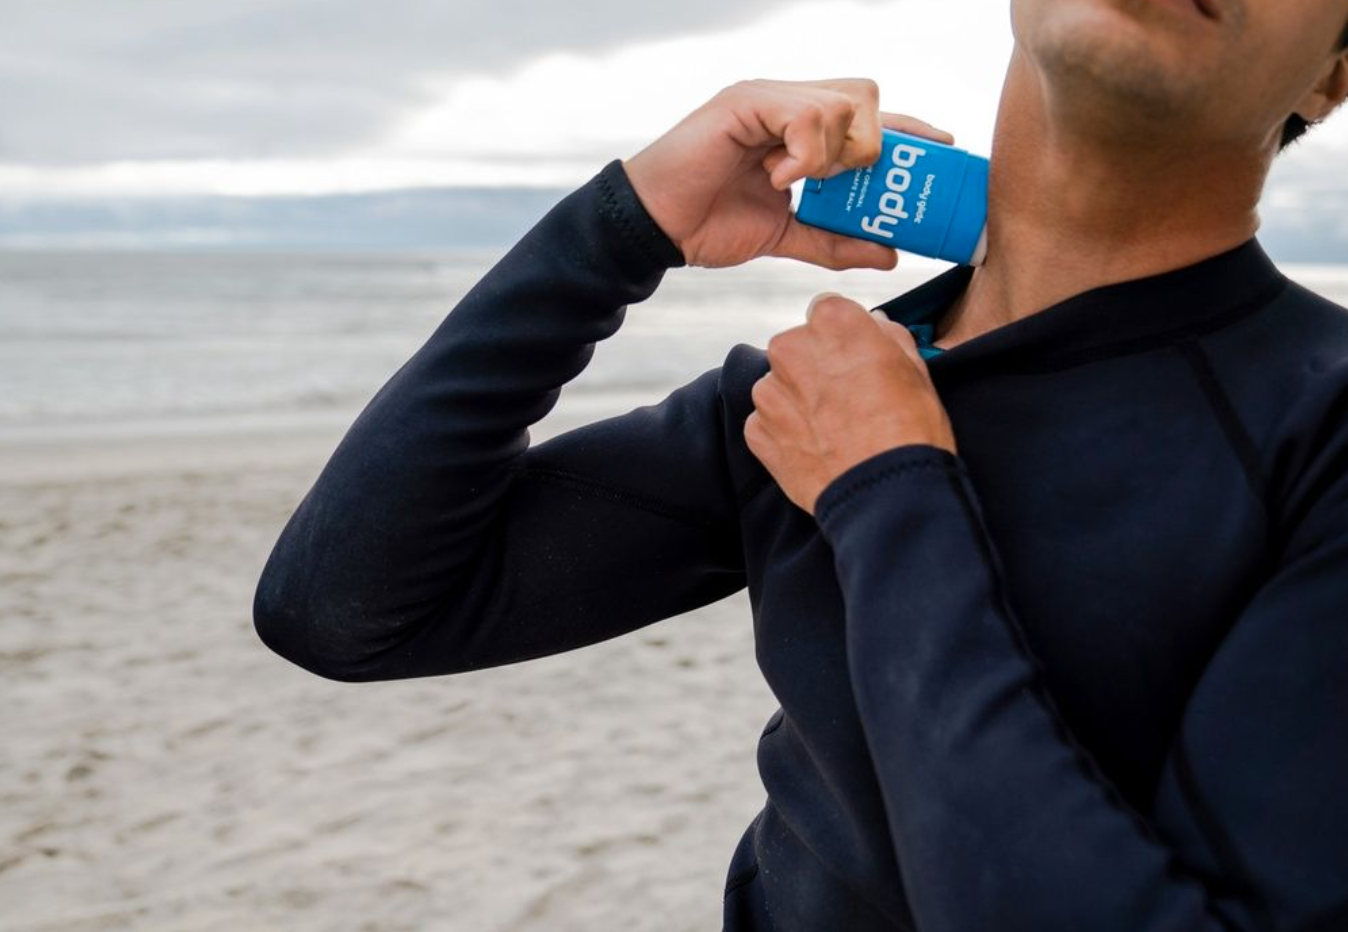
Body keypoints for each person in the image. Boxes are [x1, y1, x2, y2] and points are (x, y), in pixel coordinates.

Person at [254, 0, 1348, 928]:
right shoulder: (824, 390)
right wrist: (625, 227)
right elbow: (344, 609)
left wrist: (887, 491)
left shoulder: (1320, 424)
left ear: (1331, 77)